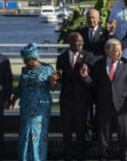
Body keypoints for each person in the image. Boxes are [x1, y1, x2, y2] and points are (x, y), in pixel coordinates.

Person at [80, 38, 127, 161]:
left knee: (124, 134)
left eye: (120, 51)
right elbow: (94, 84)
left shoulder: (126, 64)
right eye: (117, 51)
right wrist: (86, 77)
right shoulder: (98, 65)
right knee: (104, 135)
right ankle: (104, 157)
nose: (120, 53)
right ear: (109, 52)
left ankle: (126, 156)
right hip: (104, 105)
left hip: (121, 105)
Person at [10, 43, 57, 161]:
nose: (25, 63)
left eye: (27, 60)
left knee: (39, 134)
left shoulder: (47, 68)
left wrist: (53, 81)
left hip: (41, 106)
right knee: (25, 133)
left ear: (34, 58)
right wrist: (13, 99)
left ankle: (38, 158)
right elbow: (20, 87)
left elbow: (53, 88)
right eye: (24, 60)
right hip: (26, 106)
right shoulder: (24, 70)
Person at [56, 32, 94, 161]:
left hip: (82, 102)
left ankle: (81, 156)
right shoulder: (61, 58)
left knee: (81, 132)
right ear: (70, 43)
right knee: (66, 131)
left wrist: (85, 76)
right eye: (77, 42)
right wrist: (58, 77)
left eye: (82, 41)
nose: (80, 44)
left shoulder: (88, 56)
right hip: (67, 101)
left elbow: (91, 82)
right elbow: (61, 80)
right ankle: (67, 155)